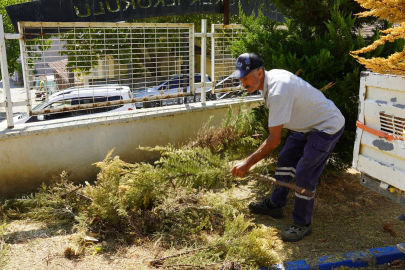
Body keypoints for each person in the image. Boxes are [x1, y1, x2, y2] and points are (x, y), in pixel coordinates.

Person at [231, 53, 345, 242]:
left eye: (245, 78)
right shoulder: (268, 81)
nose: (243, 84)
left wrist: (246, 164)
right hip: (308, 125)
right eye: (240, 79)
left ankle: (302, 223)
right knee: (285, 159)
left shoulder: (278, 90)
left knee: (304, 173)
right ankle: (275, 204)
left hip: (326, 126)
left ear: (259, 73)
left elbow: (274, 139)